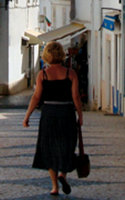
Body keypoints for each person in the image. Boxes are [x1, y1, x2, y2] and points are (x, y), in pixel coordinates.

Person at [22, 41, 83, 196]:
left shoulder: (42, 74)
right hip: (67, 113)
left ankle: (55, 186)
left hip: (49, 113)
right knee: (66, 145)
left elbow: (36, 97)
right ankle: (63, 174)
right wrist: (80, 116)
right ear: (61, 54)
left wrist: (28, 115)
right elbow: (76, 97)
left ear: (47, 56)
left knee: (49, 147)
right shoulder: (71, 73)